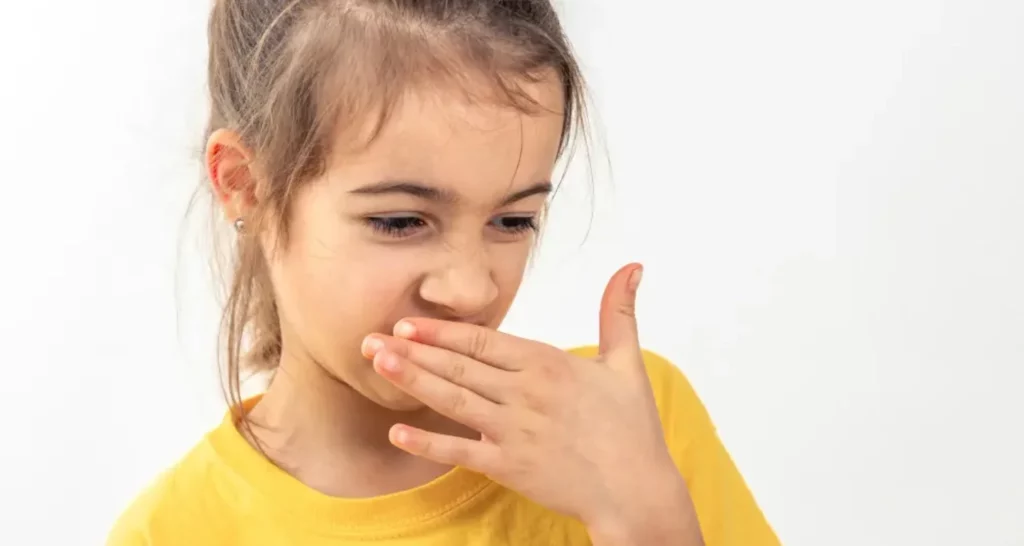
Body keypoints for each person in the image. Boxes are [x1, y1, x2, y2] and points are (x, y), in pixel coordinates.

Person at [108, 0, 780, 544]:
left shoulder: (636, 428)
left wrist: (648, 523)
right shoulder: (171, 532)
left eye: (513, 221)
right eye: (401, 222)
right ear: (244, 183)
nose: (472, 289)